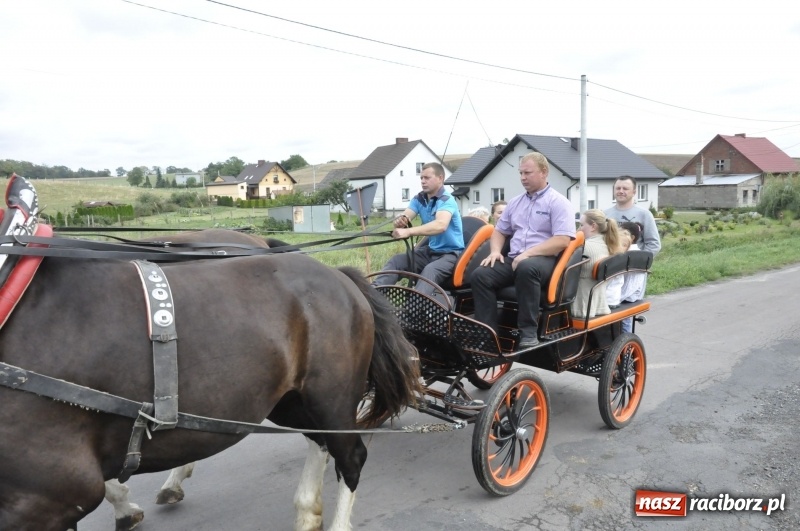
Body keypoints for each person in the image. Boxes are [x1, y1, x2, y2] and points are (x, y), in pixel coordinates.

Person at [470, 153, 575, 349]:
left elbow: (561, 240)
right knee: (480, 275)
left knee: (527, 268)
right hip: (515, 259)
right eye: (521, 173)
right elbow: (500, 231)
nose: (523, 177)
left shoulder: (558, 202)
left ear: (544, 172)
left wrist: (527, 254)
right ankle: (488, 333)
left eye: (528, 173)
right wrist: (494, 251)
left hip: (545, 261)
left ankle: (528, 333)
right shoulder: (515, 202)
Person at [371, 162, 464, 297]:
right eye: (421, 178)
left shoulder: (446, 200)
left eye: (427, 178)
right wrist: (400, 221)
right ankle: (372, 296)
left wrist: (408, 231)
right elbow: (406, 215)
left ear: (440, 178)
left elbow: (440, 225)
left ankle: (412, 310)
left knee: (429, 271)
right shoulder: (419, 199)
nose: (423, 181)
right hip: (430, 251)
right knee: (397, 261)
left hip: (450, 255)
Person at [572, 209, 623, 319]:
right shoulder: (608, 245)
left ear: (593, 226)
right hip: (598, 304)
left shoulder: (584, 247)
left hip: (580, 307)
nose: (578, 229)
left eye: (581, 225)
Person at [604, 175, 660, 256]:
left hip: (634, 266)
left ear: (634, 192)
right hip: (610, 265)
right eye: (618, 188)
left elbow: (654, 244)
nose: (621, 191)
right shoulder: (605, 214)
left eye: (625, 189)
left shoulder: (644, 214)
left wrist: (640, 260)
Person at [619, 222, 647, 332]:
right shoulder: (629, 253)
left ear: (631, 238)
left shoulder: (635, 256)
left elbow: (631, 286)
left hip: (628, 297)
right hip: (626, 295)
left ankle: (626, 345)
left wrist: (616, 299)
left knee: (624, 321)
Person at [605, 229, 632, 309]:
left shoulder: (614, 261)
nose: (622, 247)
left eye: (625, 245)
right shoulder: (623, 260)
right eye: (620, 244)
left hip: (607, 300)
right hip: (615, 300)